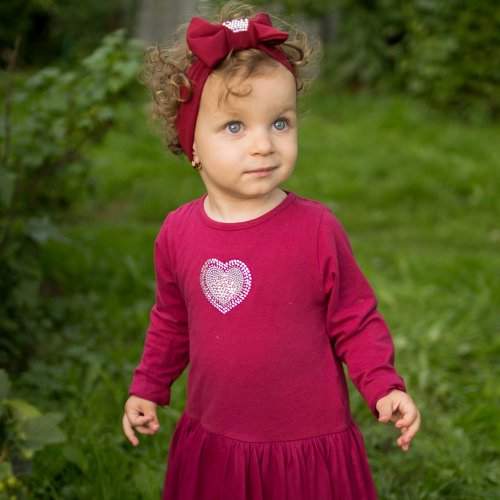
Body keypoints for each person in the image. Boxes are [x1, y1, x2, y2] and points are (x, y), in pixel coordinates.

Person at [122, 2, 421, 499]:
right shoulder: (178, 233)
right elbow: (171, 321)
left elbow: (355, 317)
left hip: (306, 440)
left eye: (279, 123)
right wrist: (148, 386)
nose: (263, 145)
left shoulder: (315, 229)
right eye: (235, 127)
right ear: (191, 144)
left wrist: (382, 384)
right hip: (219, 434)